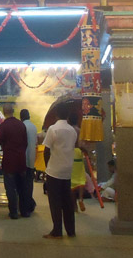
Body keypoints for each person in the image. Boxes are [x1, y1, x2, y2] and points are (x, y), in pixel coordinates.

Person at [42, 101, 79, 239]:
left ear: (56, 114)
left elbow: (46, 149)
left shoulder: (53, 129)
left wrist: (47, 166)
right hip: (67, 170)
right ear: (68, 115)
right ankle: (71, 230)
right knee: (67, 202)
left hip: (54, 170)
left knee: (55, 202)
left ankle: (57, 231)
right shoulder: (72, 131)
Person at [0, 105, 29, 219]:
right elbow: (26, 143)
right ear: (13, 112)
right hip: (21, 161)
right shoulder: (21, 124)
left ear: (4, 112)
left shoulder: (4, 126)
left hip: (9, 162)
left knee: (10, 188)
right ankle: (24, 211)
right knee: (22, 187)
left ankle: (13, 212)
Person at [20, 109, 38, 214]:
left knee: (22, 184)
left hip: (22, 159)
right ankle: (30, 202)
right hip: (31, 159)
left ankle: (26, 205)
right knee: (29, 183)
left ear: (21, 117)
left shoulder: (22, 126)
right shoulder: (34, 127)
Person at [71, 146, 87, 212]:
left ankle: (75, 206)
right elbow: (86, 153)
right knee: (81, 182)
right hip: (79, 164)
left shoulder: (69, 145)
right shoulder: (80, 146)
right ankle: (80, 199)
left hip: (72, 164)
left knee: (72, 187)